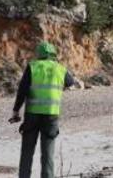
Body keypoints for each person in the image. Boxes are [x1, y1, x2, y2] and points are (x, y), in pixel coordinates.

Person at [10, 41, 81, 178]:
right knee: (48, 154)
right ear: (53, 54)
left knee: (27, 153)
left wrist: (16, 110)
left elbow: (22, 90)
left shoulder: (33, 67)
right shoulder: (60, 68)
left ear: (38, 54)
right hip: (51, 116)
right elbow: (71, 82)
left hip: (32, 115)